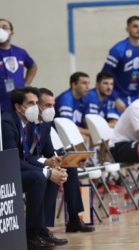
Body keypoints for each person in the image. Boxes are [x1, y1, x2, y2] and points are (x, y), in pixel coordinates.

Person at [1, 87, 67, 249]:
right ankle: (30, 235)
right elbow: (12, 160)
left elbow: (27, 156)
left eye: (36, 103)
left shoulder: (28, 123)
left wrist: (48, 164)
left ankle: (41, 229)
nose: (35, 107)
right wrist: (45, 171)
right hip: (5, 173)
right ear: (18, 106)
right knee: (40, 177)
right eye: (30, 103)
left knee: (53, 175)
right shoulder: (7, 122)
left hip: (15, 169)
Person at [38, 88, 95, 233]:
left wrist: (71, 160)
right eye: (47, 106)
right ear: (36, 106)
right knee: (54, 172)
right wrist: (49, 163)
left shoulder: (46, 125)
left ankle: (74, 220)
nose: (52, 109)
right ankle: (42, 227)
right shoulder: (27, 124)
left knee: (69, 168)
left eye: (53, 105)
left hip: (42, 161)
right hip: (30, 163)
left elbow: (50, 151)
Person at [102, 16, 139, 115]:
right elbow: (104, 75)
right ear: (127, 29)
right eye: (135, 26)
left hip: (138, 97)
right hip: (119, 97)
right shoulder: (118, 50)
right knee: (115, 125)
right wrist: (115, 98)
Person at [0, 19, 37, 111]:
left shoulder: (20, 52)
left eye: (4, 27)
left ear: (11, 33)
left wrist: (26, 84)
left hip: (18, 103)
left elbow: (32, 66)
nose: (1, 30)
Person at [55, 72, 90, 140]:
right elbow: (68, 126)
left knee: (102, 137)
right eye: (84, 83)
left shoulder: (84, 99)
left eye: (88, 83)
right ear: (74, 85)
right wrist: (91, 132)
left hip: (74, 132)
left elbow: (87, 121)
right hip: (59, 135)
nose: (87, 87)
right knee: (82, 138)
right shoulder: (66, 99)